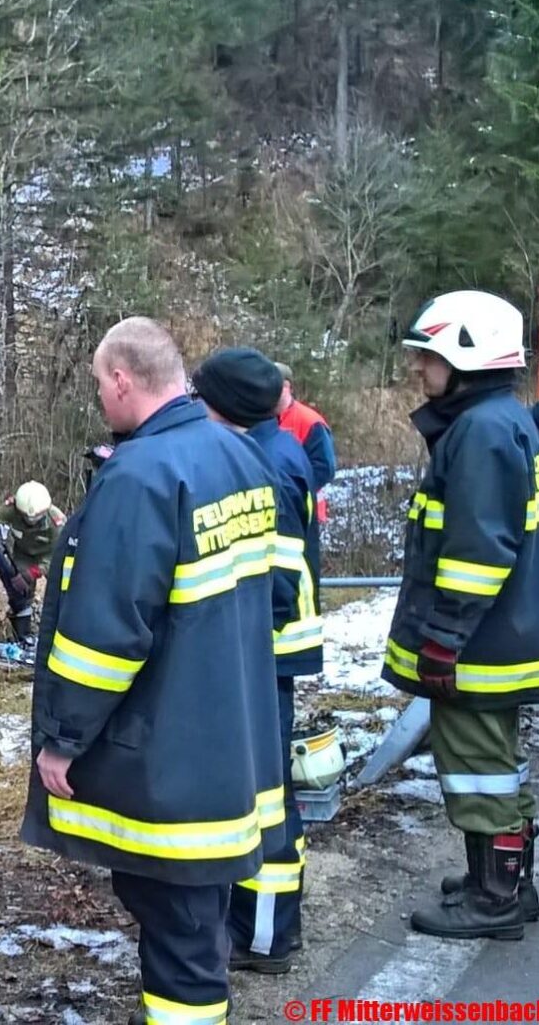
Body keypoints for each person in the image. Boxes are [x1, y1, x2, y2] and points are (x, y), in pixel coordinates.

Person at [22, 318, 286, 1025]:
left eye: (96, 384)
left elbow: (105, 634)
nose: (98, 399)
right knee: (198, 913)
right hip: (229, 734)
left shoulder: (139, 475)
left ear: (120, 378)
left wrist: (62, 738)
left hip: (169, 751)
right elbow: (269, 593)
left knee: (178, 924)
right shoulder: (240, 455)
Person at [383, 289, 539, 940]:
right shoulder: (498, 420)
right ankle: (504, 880)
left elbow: (478, 551)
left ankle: (495, 897)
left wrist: (442, 639)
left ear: (465, 356)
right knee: (494, 762)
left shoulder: (481, 431)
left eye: (428, 357)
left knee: (478, 765)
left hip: (481, 643)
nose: (420, 370)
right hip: (500, 634)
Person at [192, 348, 324, 975]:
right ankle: (259, 923)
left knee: (268, 797)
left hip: (268, 649)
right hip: (269, 646)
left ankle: (267, 935)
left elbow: (271, 577)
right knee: (263, 788)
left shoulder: (266, 465)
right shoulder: (272, 450)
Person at [0, 481, 66, 653]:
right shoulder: (12, 509)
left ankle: (60, 632)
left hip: (50, 556)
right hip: (24, 553)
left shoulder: (57, 522)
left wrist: (34, 572)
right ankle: (22, 635)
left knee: (62, 591)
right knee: (20, 590)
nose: (30, 522)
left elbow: (60, 552)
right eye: (26, 519)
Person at [274, 363, 337, 518]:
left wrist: (290, 493)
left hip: (305, 512)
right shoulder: (258, 419)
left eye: (277, 386)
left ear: (288, 388)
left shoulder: (310, 421)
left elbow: (325, 469)